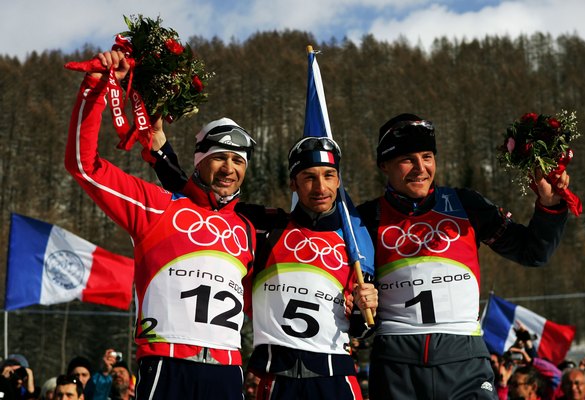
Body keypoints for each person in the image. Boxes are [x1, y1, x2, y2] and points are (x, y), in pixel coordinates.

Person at [65, 49, 256, 399]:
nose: (229, 168)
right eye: (218, 158)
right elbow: (84, 165)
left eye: (237, 160)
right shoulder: (158, 206)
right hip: (167, 365)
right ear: (199, 162)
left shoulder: (247, 227)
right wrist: (95, 89)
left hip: (228, 370)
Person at [355, 113, 571, 399]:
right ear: (385, 164)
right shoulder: (365, 219)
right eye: (407, 159)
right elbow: (354, 309)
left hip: (464, 362)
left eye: (428, 156)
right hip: (398, 367)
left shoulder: (465, 204)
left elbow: (532, 252)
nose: (421, 168)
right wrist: (359, 305)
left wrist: (550, 204)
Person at [148, 134, 378, 399]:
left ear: (338, 181)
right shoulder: (266, 226)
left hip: (335, 378)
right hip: (276, 379)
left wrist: (364, 309)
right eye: (309, 177)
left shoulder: (356, 239)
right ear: (293, 184)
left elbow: (364, 329)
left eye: (328, 176)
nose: (320, 187)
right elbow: (200, 199)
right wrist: (160, 150)